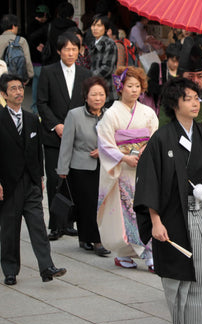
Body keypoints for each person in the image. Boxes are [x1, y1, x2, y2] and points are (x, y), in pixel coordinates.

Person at [134, 77, 202, 324]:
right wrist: (155, 221)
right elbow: (151, 181)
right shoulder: (161, 139)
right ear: (175, 104)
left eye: (197, 98)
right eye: (189, 99)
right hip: (177, 220)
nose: (196, 103)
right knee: (189, 280)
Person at [0, 74, 67, 285]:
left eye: (20, 88)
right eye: (13, 89)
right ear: (3, 94)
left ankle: (46, 267)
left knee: (38, 224)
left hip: (31, 182)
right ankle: (10, 270)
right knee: (10, 228)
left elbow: (38, 151)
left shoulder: (31, 118)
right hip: (8, 182)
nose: (19, 92)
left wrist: (40, 176)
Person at [96, 66, 158, 271]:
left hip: (143, 168)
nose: (134, 90)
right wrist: (123, 158)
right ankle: (137, 253)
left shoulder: (148, 112)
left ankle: (145, 252)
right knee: (128, 213)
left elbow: (155, 137)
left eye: (137, 86)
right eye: (130, 86)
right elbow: (105, 144)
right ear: (120, 87)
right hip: (122, 171)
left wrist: (145, 151)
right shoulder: (111, 114)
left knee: (147, 208)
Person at [37, 32, 92, 240]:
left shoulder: (85, 73)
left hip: (78, 136)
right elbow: (41, 102)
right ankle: (55, 224)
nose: (71, 53)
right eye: (67, 49)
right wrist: (56, 125)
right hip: (54, 135)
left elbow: (89, 103)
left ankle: (70, 221)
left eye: (74, 49)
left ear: (79, 51)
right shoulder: (48, 72)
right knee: (54, 179)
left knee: (74, 179)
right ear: (59, 51)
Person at [56, 76, 110, 257]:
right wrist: (62, 170)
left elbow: (115, 141)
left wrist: (102, 150)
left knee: (99, 205)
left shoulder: (109, 115)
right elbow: (66, 143)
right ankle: (97, 241)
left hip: (104, 167)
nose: (97, 98)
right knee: (87, 204)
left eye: (101, 94)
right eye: (93, 94)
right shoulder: (74, 115)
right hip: (80, 167)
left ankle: (85, 238)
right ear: (85, 97)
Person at [157, 45, 202, 145]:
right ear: (180, 77)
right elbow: (165, 138)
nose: (195, 81)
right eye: (190, 76)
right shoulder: (171, 103)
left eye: (200, 76)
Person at [147, 42, 183, 108]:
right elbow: (149, 86)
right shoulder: (156, 68)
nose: (176, 64)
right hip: (159, 107)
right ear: (166, 57)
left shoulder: (183, 71)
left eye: (178, 61)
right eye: (173, 61)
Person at [0, 14, 34, 83]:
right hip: (16, 78)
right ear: (13, 26)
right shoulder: (21, 41)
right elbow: (27, 61)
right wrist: (30, 75)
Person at [89, 15, 118, 88]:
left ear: (105, 28)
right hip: (93, 85)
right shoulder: (92, 43)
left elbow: (107, 68)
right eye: (93, 25)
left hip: (106, 87)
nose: (95, 28)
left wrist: (88, 76)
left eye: (99, 26)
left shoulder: (109, 44)